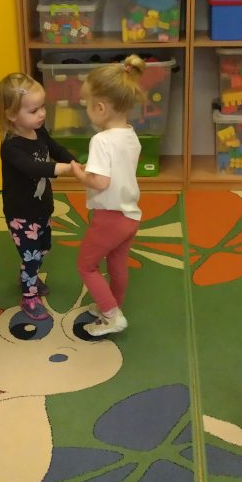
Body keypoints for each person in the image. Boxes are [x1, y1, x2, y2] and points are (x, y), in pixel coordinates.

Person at [71, 54, 145, 338]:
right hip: (130, 215)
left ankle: (111, 315)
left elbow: (101, 181)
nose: (87, 110)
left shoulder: (101, 140)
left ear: (100, 107)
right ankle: (113, 304)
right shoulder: (130, 135)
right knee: (116, 264)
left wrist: (81, 175)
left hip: (110, 217)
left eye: (87, 105)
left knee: (86, 265)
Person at [0, 72, 77, 320]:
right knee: (30, 256)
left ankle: (28, 275)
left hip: (42, 208)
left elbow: (55, 148)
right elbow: (33, 168)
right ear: (11, 115)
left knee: (43, 249)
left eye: (42, 107)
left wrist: (74, 161)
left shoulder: (38, 131)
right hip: (21, 214)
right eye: (33, 110)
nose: (41, 114)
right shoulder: (11, 146)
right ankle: (29, 295)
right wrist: (65, 169)